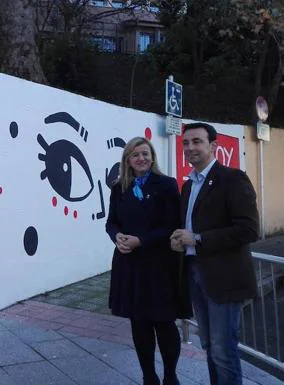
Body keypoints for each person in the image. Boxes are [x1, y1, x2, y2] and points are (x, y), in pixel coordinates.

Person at [171, 123, 259, 385]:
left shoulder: (232, 179)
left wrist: (197, 239)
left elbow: (248, 229)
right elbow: (191, 226)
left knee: (223, 350)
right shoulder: (188, 185)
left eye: (197, 141)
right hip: (195, 274)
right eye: (186, 143)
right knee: (209, 345)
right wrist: (179, 239)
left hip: (224, 279)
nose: (190, 148)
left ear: (213, 146)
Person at [106, 137, 191, 385]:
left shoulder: (166, 185)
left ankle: (170, 376)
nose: (141, 158)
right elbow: (112, 222)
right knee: (139, 324)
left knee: (164, 323)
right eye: (135, 155)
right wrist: (117, 236)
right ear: (128, 160)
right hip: (129, 265)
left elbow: (172, 224)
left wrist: (140, 240)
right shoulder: (118, 187)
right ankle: (149, 377)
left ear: (152, 156)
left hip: (159, 265)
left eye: (145, 153)